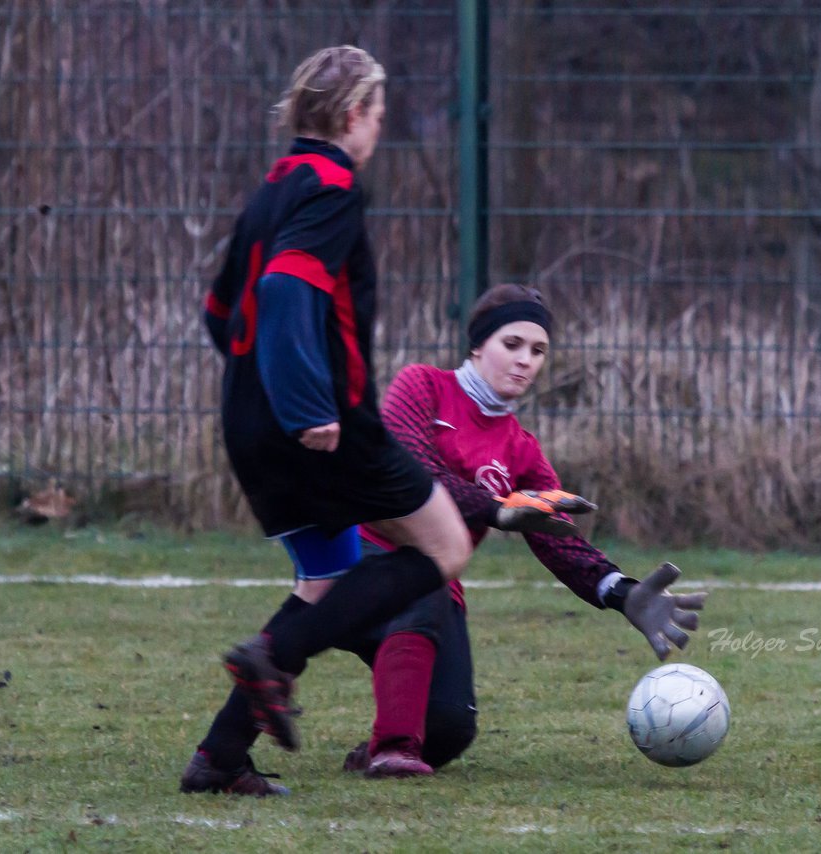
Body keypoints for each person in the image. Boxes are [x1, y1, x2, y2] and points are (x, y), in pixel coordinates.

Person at [180, 47, 586, 796]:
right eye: (379, 115)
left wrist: (260, 393)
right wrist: (307, 404)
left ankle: (219, 758)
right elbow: (284, 289)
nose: (379, 130)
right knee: (441, 547)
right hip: (326, 424)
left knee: (328, 577)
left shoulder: (271, 190)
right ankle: (270, 655)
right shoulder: (333, 186)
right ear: (351, 113)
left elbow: (218, 310)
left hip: (247, 422)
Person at [338, 284, 708, 778]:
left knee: (449, 729)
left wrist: (623, 592)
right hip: (360, 555)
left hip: (432, 581)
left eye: (538, 351)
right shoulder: (421, 386)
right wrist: (495, 508)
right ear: (477, 345)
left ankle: (373, 754)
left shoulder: (521, 449)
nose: (525, 361)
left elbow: (559, 540)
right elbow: (413, 475)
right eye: (511, 344)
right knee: (414, 575)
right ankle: (383, 749)